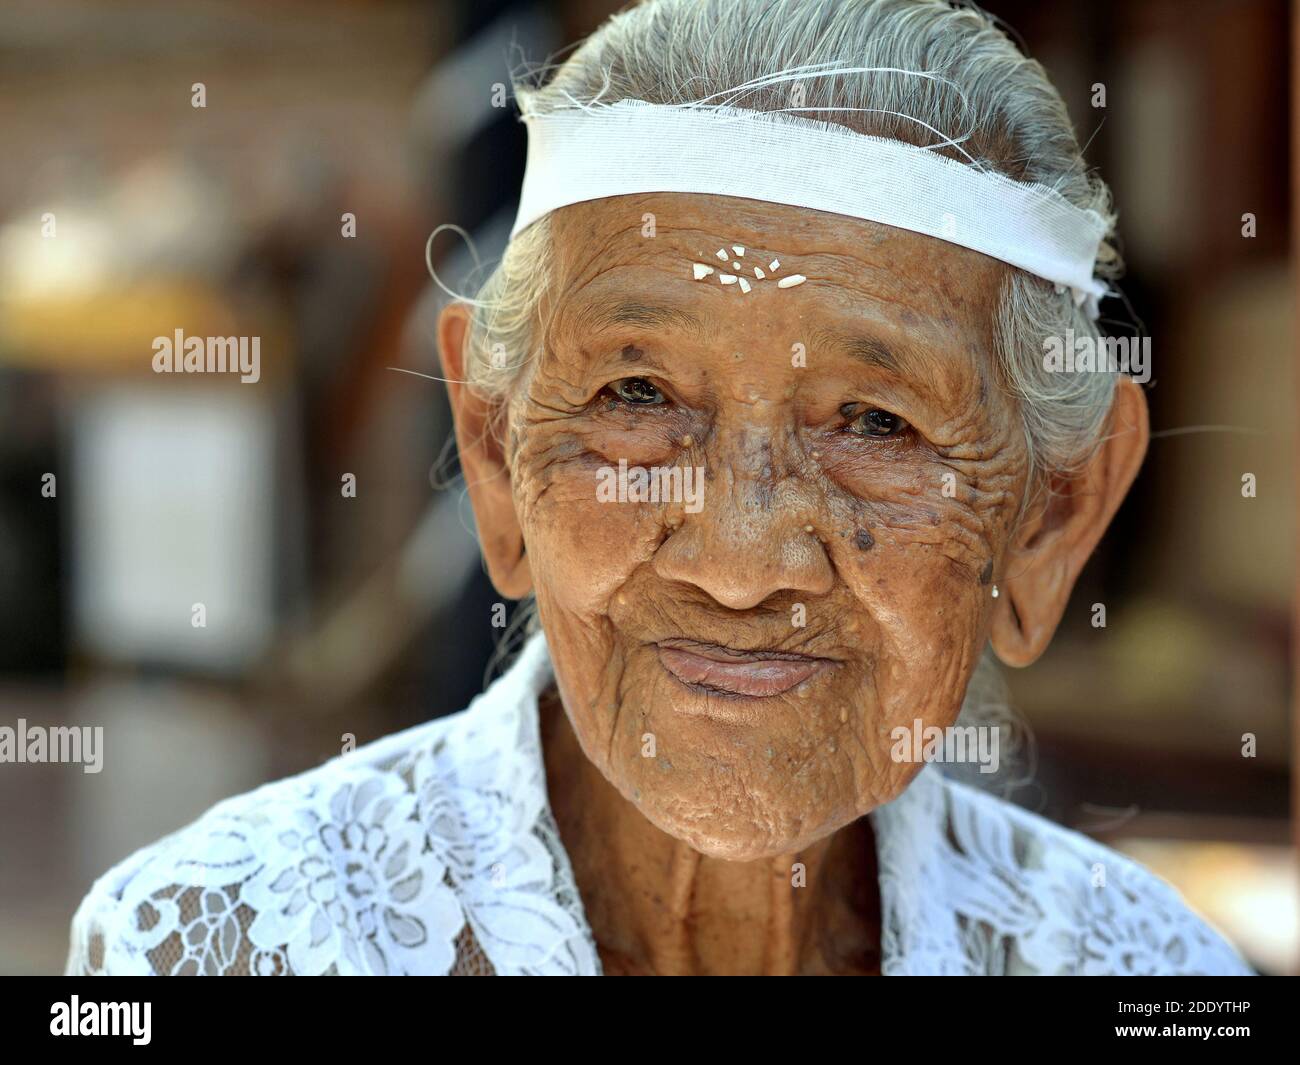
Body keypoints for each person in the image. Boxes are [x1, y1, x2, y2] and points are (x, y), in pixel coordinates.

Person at [67, 0, 1252, 976]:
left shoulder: (1147, 976)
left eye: (876, 423)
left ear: (1051, 513)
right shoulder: (208, 948)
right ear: (493, 451)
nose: (738, 562)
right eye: (636, 398)